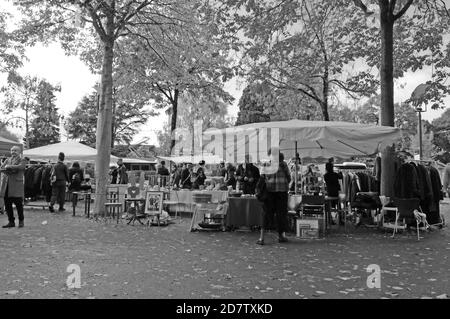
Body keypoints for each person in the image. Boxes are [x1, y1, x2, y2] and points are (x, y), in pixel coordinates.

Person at [257, 149, 291, 245]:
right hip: (282, 192)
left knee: (266, 213)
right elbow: (289, 178)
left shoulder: (266, 164)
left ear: (269, 155)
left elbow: (261, 179)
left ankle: (261, 238)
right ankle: (281, 236)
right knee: (281, 214)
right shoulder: (283, 164)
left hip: (269, 193)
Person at [0, 146, 27, 228]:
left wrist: (9, 167)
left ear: (19, 152)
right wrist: (7, 168)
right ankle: (11, 221)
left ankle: (21, 221)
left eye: (15, 150)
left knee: (19, 205)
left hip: (16, 186)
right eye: (12, 150)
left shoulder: (22, 160)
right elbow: (1, 168)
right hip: (7, 185)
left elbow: (21, 167)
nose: (13, 152)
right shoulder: (7, 160)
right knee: (7, 205)